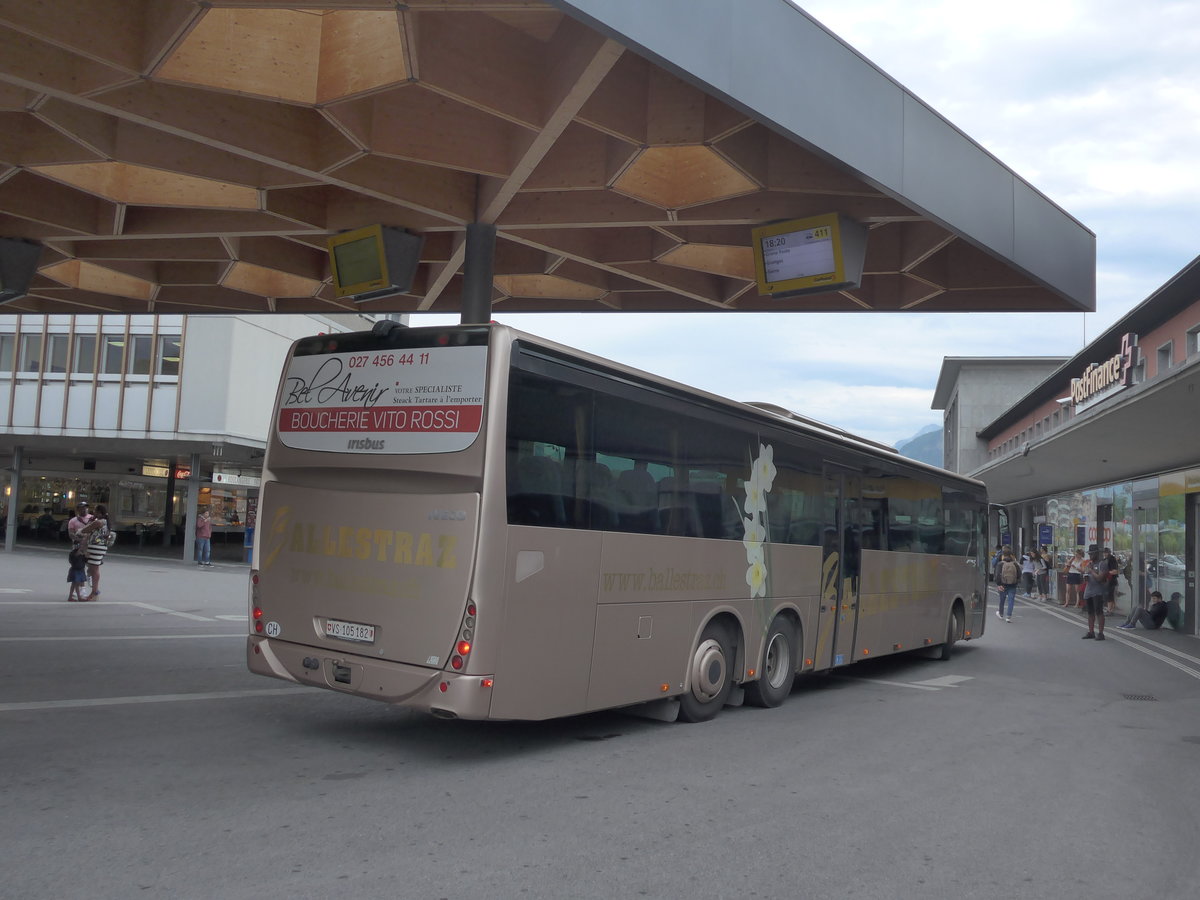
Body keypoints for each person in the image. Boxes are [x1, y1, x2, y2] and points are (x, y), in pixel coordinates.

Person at [78, 504, 112, 599]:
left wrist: (80, 531)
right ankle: (95, 590)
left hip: (96, 546)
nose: (94, 513)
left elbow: (86, 529)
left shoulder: (99, 522)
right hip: (99, 546)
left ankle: (94, 590)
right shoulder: (105, 522)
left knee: (94, 568)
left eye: (95, 511)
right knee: (94, 568)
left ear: (99, 512)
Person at [1081, 546, 1108, 641]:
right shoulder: (1089, 564)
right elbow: (1086, 576)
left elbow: (1100, 578)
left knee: (1099, 612)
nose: (1090, 555)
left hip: (1097, 591)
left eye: (1092, 553)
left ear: (1097, 553)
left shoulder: (1102, 564)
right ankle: (1091, 631)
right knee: (1090, 612)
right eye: (1089, 554)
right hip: (1089, 590)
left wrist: (1091, 570)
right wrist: (1086, 576)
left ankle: (1101, 633)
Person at [994, 549, 1020, 623]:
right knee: (1011, 600)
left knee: (1002, 600)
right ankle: (1008, 616)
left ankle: (1001, 614)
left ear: (1003, 555)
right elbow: (1019, 574)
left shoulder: (1000, 564)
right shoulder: (1015, 564)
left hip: (1003, 584)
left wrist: (999, 584)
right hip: (1013, 585)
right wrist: (1015, 582)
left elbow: (997, 575)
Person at [1103, 548, 1120, 615]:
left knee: (1109, 594)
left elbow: (1115, 571)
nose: (1105, 554)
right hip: (1108, 580)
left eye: (1106, 552)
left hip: (1111, 580)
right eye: (1104, 552)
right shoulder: (1106, 559)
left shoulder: (1111, 559)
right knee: (1110, 594)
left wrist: (1106, 573)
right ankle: (1111, 608)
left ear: (1109, 552)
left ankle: (1109, 610)